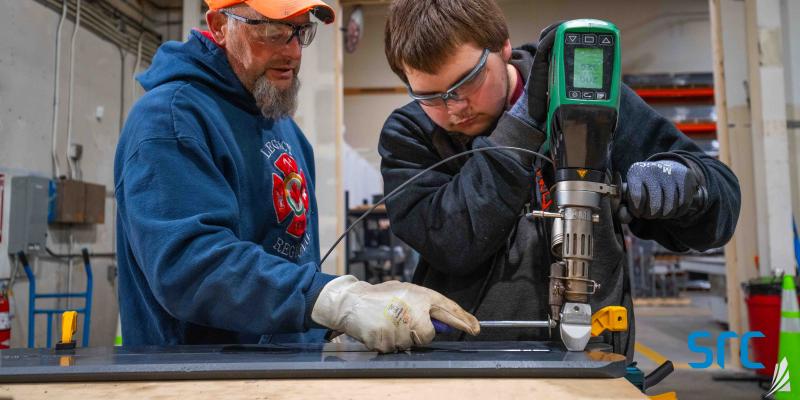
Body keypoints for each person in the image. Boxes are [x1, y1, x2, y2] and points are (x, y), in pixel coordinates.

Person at [378, 0, 741, 360]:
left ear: (502, 45)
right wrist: (522, 126)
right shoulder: (411, 133)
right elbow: (451, 242)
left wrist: (687, 185)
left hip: (592, 353)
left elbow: (719, 206)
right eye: (430, 96)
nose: (454, 108)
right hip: (460, 362)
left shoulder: (587, 97)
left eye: (466, 82)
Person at [114, 0, 479, 353]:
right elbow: (190, 267)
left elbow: (293, 264)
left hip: (282, 373)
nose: (293, 53)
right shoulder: (171, 120)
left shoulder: (285, 130)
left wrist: (325, 332)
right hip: (197, 376)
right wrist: (334, 299)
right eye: (273, 31)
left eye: (300, 31)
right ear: (221, 27)